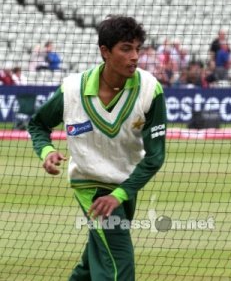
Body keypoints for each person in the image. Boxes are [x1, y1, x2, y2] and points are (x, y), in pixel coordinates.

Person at [27, 15, 166, 281]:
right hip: (90, 187)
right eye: (126, 48)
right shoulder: (71, 90)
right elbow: (38, 125)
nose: (135, 56)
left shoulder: (151, 89)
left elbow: (156, 156)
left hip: (125, 186)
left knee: (93, 264)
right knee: (118, 265)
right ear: (105, 51)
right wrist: (47, 152)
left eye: (137, 48)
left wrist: (121, 194)